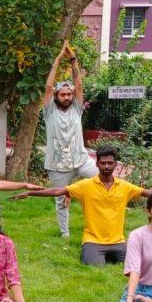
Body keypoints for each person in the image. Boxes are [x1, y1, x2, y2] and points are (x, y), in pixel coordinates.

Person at [11, 147, 152, 266]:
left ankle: (113, 255)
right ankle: (99, 256)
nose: (106, 167)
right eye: (103, 163)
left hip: (118, 241)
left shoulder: (125, 187)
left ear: (116, 164)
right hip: (93, 240)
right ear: (97, 164)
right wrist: (30, 192)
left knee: (136, 266)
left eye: (110, 163)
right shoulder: (85, 186)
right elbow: (58, 191)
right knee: (93, 268)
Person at [42, 42, 98, 238]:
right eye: (62, 94)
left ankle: (97, 222)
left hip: (80, 160)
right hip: (57, 164)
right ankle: (65, 234)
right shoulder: (49, 111)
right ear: (56, 96)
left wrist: (73, 60)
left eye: (69, 94)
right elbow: (48, 86)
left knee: (100, 181)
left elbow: (79, 85)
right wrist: (58, 60)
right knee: (60, 199)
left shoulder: (76, 108)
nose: (66, 97)